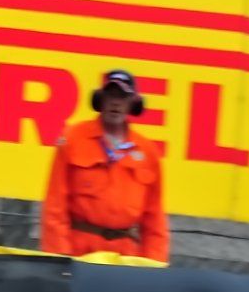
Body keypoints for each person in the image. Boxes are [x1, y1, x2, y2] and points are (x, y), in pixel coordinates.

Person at [40, 70, 169, 262]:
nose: (115, 103)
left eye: (122, 97)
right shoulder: (73, 139)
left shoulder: (147, 151)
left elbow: (155, 218)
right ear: (100, 99)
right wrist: (59, 259)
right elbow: (55, 206)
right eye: (111, 95)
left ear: (133, 103)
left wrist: (154, 266)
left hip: (126, 258)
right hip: (80, 254)